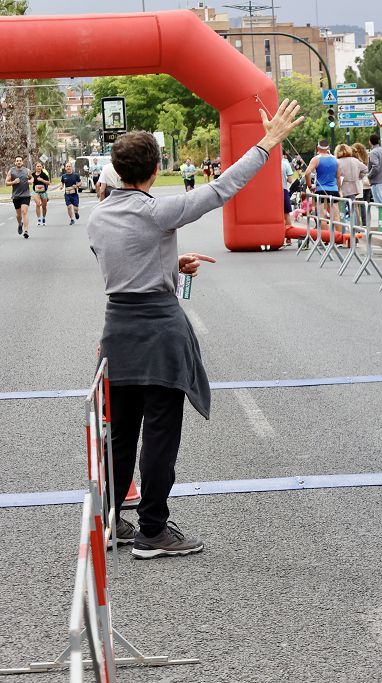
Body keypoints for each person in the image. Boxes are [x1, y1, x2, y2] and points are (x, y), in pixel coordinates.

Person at [86, 99, 304, 559]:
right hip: (159, 331)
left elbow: (121, 263)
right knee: (160, 432)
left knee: (121, 433)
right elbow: (223, 188)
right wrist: (268, 141)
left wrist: (169, 263)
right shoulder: (158, 212)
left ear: (117, 170)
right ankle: (153, 530)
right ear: (156, 167)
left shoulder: (98, 216)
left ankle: (113, 521)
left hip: (117, 331)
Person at [304, 140, 342, 232]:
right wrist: (338, 189)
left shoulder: (316, 159)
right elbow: (338, 177)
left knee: (321, 215)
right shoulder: (335, 160)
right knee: (336, 214)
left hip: (320, 189)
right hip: (333, 189)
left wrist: (309, 186)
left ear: (318, 148)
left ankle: (325, 239)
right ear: (328, 148)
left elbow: (307, 173)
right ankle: (339, 238)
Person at [335, 144, 368, 221]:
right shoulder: (355, 160)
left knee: (342, 210)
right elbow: (365, 170)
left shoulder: (337, 162)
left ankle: (342, 228)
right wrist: (358, 177)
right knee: (353, 208)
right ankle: (355, 228)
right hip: (354, 187)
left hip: (342, 187)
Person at [7, 155, 32, 238]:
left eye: (20, 160)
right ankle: (19, 223)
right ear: (15, 162)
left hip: (26, 195)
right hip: (16, 196)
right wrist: (13, 182)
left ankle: (26, 231)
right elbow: (7, 183)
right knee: (18, 215)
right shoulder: (12, 171)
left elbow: (32, 178)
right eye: (17, 161)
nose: (19, 162)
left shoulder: (27, 170)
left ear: (22, 162)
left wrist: (30, 181)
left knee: (24, 212)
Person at [367, 133, 382, 205]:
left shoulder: (373, 152)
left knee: (380, 203)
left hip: (377, 181)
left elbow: (375, 166)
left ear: (370, 141)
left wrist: (369, 175)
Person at [31, 161, 50, 227]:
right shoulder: (32, 175)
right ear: (35, 167)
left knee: (44, 206)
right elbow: (29, 180)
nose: (39, 167)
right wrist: (29, 181)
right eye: (37, 166)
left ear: (42, 167)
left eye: (40, 166)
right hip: (35, 192)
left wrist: (42, 180)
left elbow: (48, 183)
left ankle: (43, 218)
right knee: (38, 204)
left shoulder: (44, 174)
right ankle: (39, 219)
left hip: (43, 192)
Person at [281, 153, 295, 245]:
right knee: (286, 215)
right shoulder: (285, 164)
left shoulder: (267, 162)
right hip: (283, 190)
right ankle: (289, 238)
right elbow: (290, 180)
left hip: (270, 192)